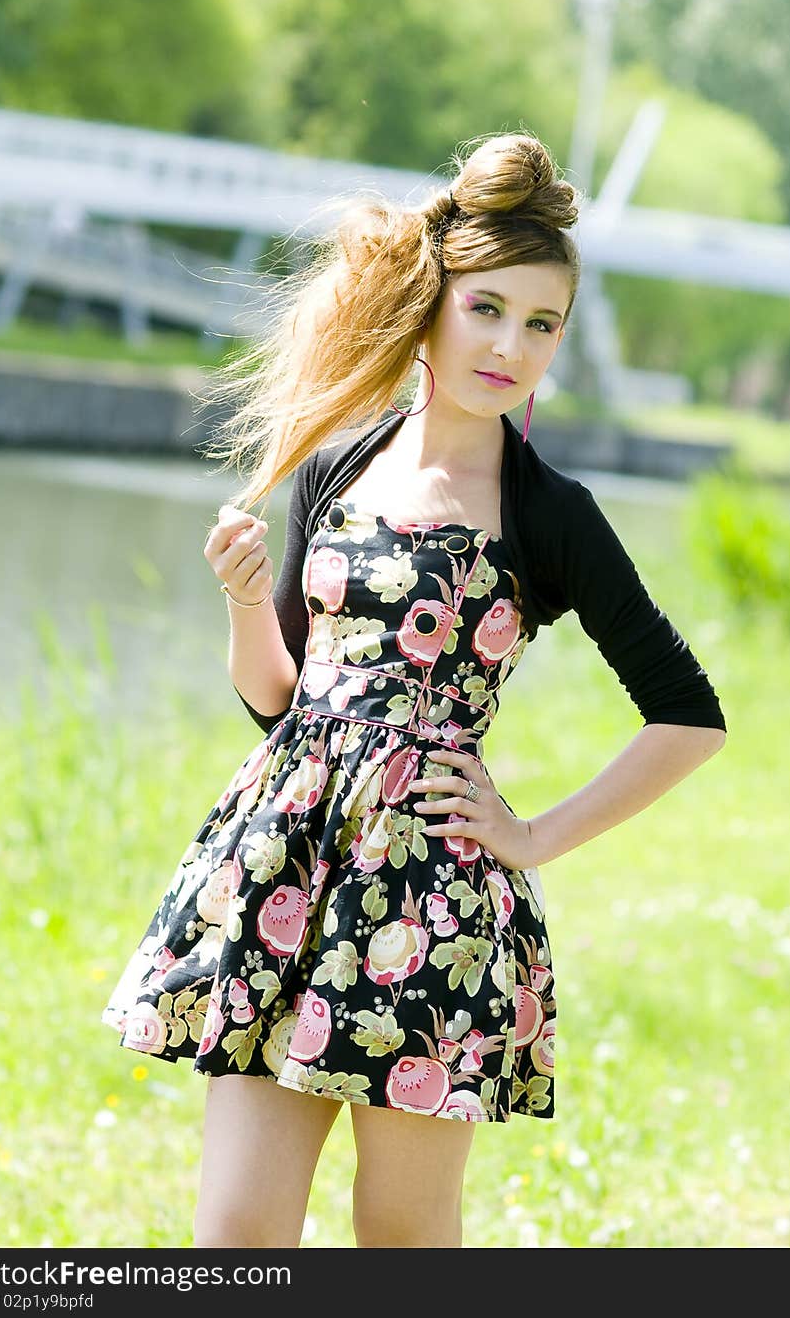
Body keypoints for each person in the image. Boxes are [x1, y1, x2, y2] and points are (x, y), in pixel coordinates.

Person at [101, 132, 727, 1248]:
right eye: (487, 308)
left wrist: (531, 835)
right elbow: (276, 701)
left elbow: (687, 714)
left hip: (431, 907)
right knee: (235, 1236)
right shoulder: (341, 462)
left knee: (400, 1237)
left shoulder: (549, 513)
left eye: (541, 325)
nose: (511, 345)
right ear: (435, 300)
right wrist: (247, 602)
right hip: (281, 869)